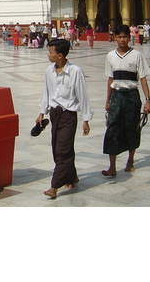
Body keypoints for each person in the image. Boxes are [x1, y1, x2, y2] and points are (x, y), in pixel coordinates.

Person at [36, 38, 93, 199]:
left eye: (51, 52)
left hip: (69, 114)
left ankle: (54, 186)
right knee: (57, 147)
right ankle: (71, 176)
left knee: (63, 149)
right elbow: (46, 92)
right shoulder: (49, 71)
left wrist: (86, 119)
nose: (48, 55)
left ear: (60, 55)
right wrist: (42, 112)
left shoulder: (75, 71)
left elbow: (83, 96)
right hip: (55, 114)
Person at [102, 24, 150, 177]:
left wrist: (148, 100)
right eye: (119, 37)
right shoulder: (111, 56)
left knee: (132, 127)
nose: (122, 39)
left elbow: (142, 78)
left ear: (128, 37)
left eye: (125, 36)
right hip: (117, 94)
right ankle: (112, 166)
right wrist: (108, 100)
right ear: (115, 38)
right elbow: (110, 78)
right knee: (112, 128)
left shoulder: (137, 55)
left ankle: (130, 161)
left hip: (132, 95)